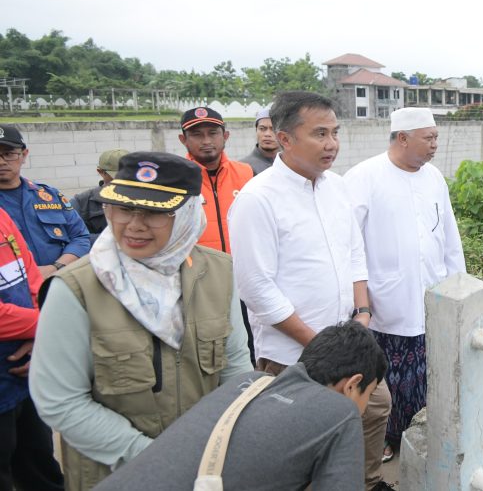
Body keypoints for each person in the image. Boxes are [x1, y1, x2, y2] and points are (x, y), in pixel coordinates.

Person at [29, 151, 253, 491]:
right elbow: (60, 400)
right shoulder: (77, 288)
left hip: (204, 469)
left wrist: (218, 452)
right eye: (123, 208)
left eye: (153, 212)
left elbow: (236, 372)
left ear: (188, 214)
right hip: (116, 477)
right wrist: (156, 458)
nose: (133, 225)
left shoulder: (220, 273)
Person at [229, 91, 393, 491]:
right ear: (284, 139)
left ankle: (368, 483)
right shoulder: (257, 199)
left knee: (374, 411)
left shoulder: (337, 187)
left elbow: (356, 254)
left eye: (335, 132)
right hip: (293, 355)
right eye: (319, 133)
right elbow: (256, 288)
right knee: (305, 442)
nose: (332, 143)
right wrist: (318, 344)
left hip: (350, 340)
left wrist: (362, 317)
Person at [90, 321, 388, 491]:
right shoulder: (340, 412)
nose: (362, 409)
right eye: (369, 394)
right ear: (352, 384)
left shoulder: (248, 383)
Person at [345, 106, 466, 462]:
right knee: (385, 378)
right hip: (384, 301)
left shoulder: (434, 178)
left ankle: (416, 438)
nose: (434, 146)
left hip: (430, 294)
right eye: (428, 138)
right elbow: (348, 246)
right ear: (402, 138)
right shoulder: (363, 177)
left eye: (436, 138)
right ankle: (382, 440)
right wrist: (359, 299)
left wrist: (457, 283)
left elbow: (449, 238)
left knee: (425, 375)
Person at [0, 209, 64, 491]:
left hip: (24, 374)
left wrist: (41, 329)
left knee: (39, 463)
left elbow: (29, 275)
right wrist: (46, 325)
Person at [0, 124, 91, 278]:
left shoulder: (49, 195)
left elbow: (80, 237)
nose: (1, 162)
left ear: (24, 155)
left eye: (8, 154)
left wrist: (55, 268)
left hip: (58, 282)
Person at [178, 106, 254, 253]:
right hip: (198, 271)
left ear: (225, 136)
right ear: (183, 140)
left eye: (213, 133)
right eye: (197, 134)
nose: (206, 141)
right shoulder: (175, 179)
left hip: (243, 268)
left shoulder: (247, 173)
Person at [72, 148, 130, 235]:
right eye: (118, 177)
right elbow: (74, 236)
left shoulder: (147, 197)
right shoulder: (82, 202)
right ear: (101, 172)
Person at [240, 109, 278, 175]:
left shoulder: (292, 164)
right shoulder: (243, 166)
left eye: (273, 129)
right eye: (262, 129)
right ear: (256, 130)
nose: (267, 134)